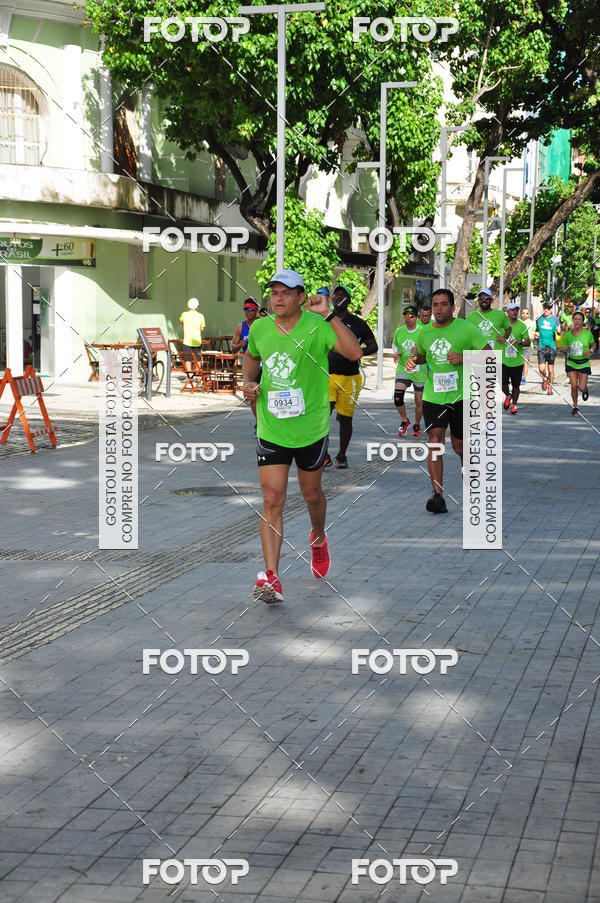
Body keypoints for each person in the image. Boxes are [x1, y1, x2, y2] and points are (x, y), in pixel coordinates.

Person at [243, 269, 362, 604]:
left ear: (300, 297)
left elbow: (354, 353)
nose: (277, 298)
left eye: (286, 292)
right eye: (274, 292)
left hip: (310, 428)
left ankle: (319, 538)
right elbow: (252, 357)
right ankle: (272, 577)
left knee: (312, 496)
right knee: (272, 498)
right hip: (271, 427)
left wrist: (329, 314)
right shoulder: (261, 328)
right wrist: (247, 384)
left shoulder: (317, 327)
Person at [406, 288, 490, 513]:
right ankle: (438, 495)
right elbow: (423, 355)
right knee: (435, 442)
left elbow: (489, 355)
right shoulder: (424, 333)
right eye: (435, 305)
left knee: (459, 445)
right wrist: (414, 360)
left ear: (452, 307)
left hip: (461, 396)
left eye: (443, 304)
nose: (439, 309)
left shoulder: (467, 329)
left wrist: (464, 357)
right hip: (433, 396)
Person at [324, 284, 377, 469]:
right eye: (336, 295)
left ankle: (342, 455)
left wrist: (358, 352)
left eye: (342, 295)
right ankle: (323, 454)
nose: (338, 298)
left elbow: (373, 345)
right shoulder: (324, 321)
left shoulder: (358, 324)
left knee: (345, 419)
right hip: (327, 376)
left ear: (349, 300)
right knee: (323, 415)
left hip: (351, 377)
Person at [392, 305, 424, 436]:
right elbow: (395, 344)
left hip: (419, 369)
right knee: (397, 397)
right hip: (403, 368)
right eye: (406, 316)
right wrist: (396, 353)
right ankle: (405, 420)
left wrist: (419, 352)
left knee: (418, 401)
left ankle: (417, 424)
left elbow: (428, 349)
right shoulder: (399, 331)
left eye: (411, 316)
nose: (408, 318)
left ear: (417, 318)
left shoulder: (423, 331)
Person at [559, 309, 594, 414]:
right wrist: (563, 349)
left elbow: (593, 345)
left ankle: (585, 389)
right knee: (573, 386)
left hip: (584, 362)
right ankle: (575, 406)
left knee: (581, 387)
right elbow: (562, 347)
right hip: (572, 362)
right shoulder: (568, 335)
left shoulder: (587, 334)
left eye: (579, 319)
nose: (577, 321)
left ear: (582, 321)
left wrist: (590, 350)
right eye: (575, 319)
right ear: (573, 321)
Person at [501, 301, 530, 414]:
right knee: (503, 385)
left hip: (517, 361)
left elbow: (528, 342)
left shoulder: (522, 325)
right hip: (503, 360)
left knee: (516, 385)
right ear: (507, 312)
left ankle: (514, 405)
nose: (515, 312)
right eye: (512, 310)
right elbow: (496, 338)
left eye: (516, 310)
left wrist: (519, 342)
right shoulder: (501, 325)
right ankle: (508, 395)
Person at [536, 301, 559, 395]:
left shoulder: (556, 319)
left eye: (548, 308)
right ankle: (545, 379)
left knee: (550, 370)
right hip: (541, 346)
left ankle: (550, 387)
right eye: (545, 307)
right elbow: (536, 330)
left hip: (552, 347)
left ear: (551, 309)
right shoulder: (538, 319)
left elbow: (559, 332)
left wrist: (559, 331)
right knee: (541, 369)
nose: (546, 309)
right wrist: (536, 334)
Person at [179, 297, 206, 373]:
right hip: (197, 341)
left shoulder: (184, 314)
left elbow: (180, 321)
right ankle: (197, 374)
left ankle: (189, 375)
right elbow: (202, 328)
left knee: (187, 358)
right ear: (197, 306)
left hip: (187, 340)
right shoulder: (201, 316)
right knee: (197, 358)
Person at [520, 309, 536, 385]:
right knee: (519, 363)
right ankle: (520, 375)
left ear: (529, 314)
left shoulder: (532, 323)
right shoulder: (518, 322)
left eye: (527, 313)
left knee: (525, 361)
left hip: (528, 345)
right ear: (521, 314)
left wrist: (534, 336)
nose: (525, 314)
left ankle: (524, 378)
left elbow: (534, 334)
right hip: (518, 345)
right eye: (523, 313)